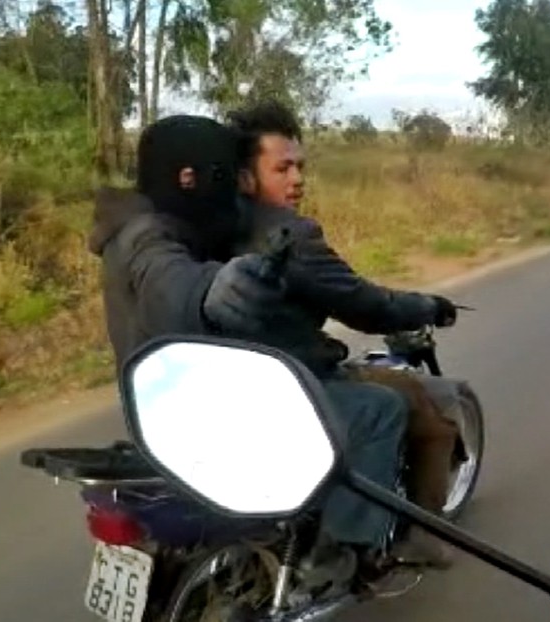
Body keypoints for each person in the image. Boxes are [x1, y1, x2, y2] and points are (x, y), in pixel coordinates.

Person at [86, 114, 411, 574]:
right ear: (190, 177)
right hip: (209, 411)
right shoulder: (149, 238)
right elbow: (172, 284)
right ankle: (344, 554)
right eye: (229, 174)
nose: (295, 180)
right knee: (379, 409)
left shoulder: (163, 226)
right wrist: (215, 290)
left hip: (162, 405)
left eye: (300, 168)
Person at [226, 100, 462, 568]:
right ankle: (380, 544)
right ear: (246, 177)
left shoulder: (204, 227)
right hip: (294, 375)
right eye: (283, 168)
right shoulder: (290, 237)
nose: (297, 179)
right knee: (431, 417)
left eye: (300, 167)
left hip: (231, 376)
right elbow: (366, 306)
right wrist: (427, 306)